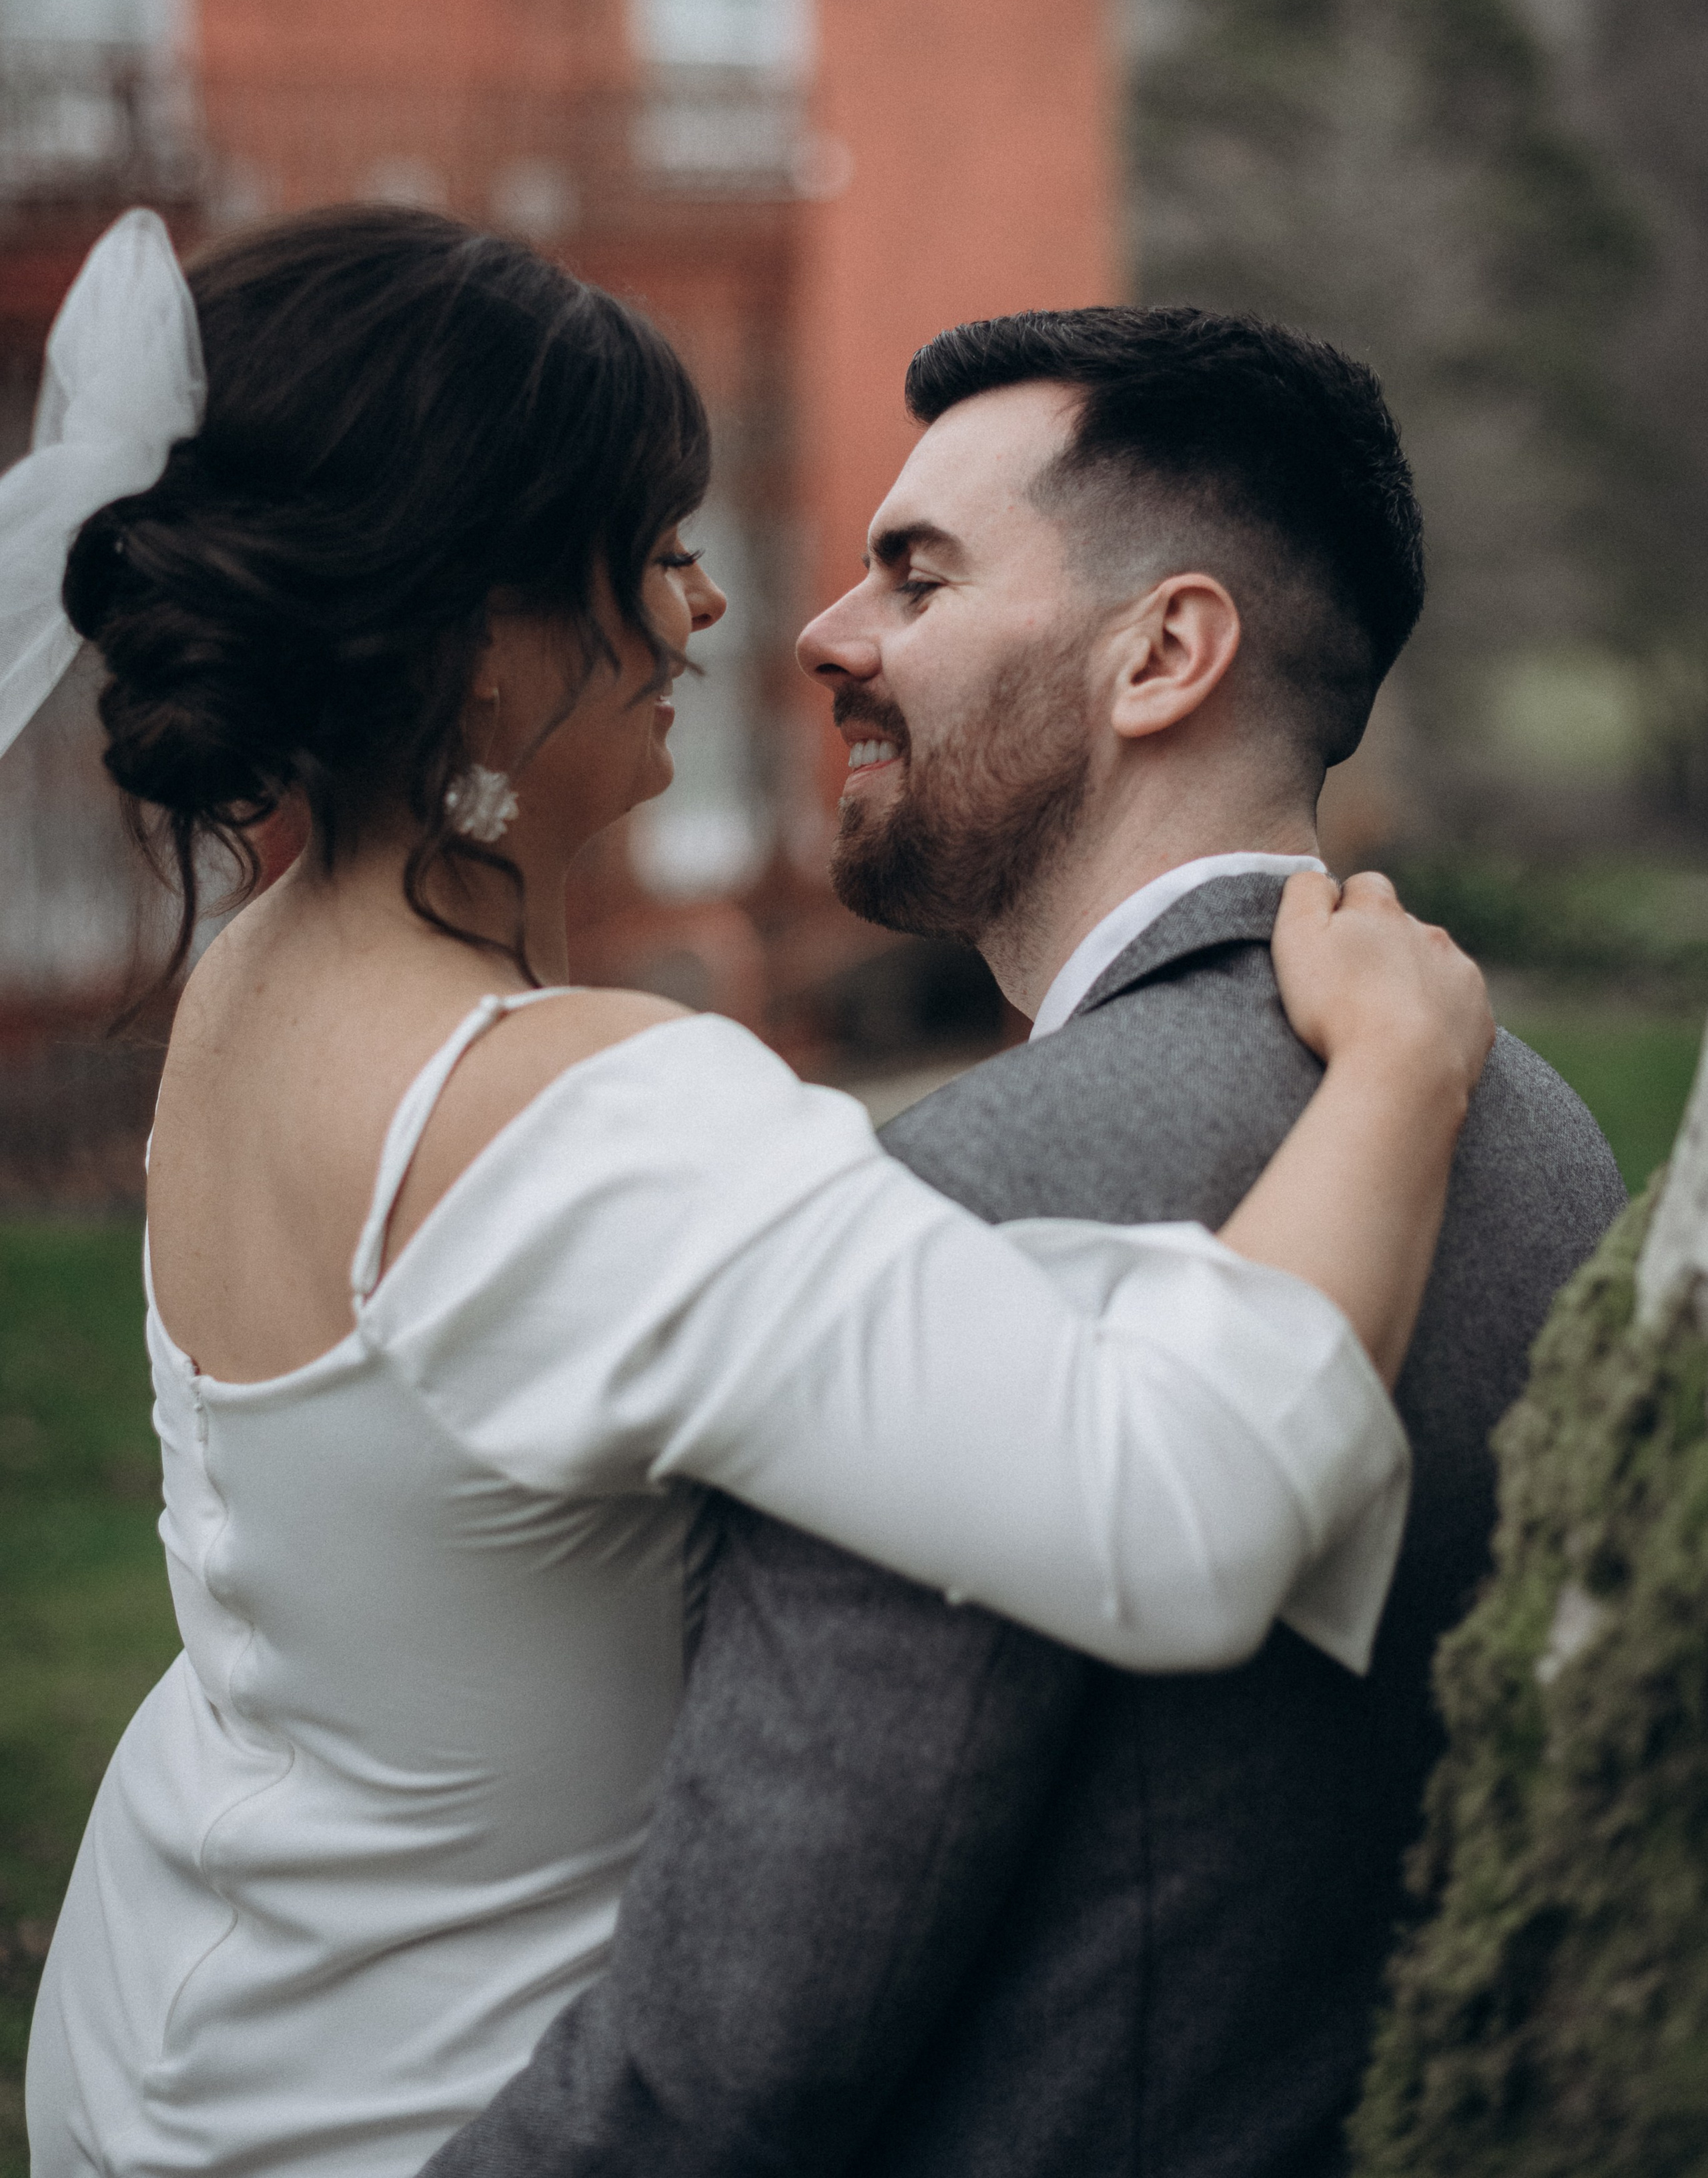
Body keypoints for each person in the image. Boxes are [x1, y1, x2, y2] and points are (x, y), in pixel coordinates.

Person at [15, 218, 1489, 2178]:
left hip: (172, 2012)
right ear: (478, 636)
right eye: (648, 551)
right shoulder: (570, 1120)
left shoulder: (254, 984)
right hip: (399, 2107)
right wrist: (1401, 1067)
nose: (715, 610)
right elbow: (1187, 1508)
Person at [426, 308, 1625, 2178]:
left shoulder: (969, 1211)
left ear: (1162, 655)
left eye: (916, 574)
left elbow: (733, 2064)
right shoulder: (1545, 1131)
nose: (823, 634)